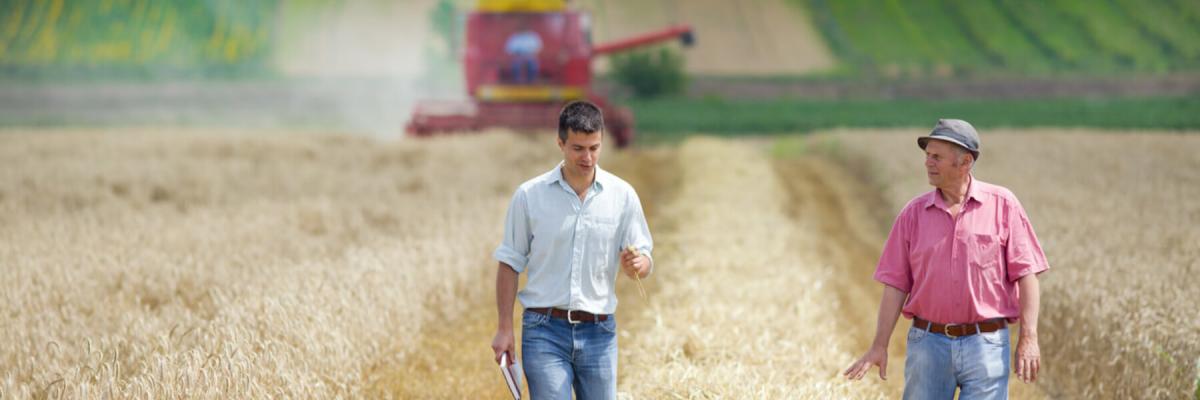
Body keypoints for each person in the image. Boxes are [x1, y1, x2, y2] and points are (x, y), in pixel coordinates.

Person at [843, 119, 1049, 399]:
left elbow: (1027, 274)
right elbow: (895, 284)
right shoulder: (912, 214)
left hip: (986, 344)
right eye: (927, 155)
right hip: (928, 345)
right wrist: (880, 344)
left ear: (965, 162)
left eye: (936, 157)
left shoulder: (1004, 205)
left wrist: (1029, 338)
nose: (928, 163)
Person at [491, 100, 653, 399]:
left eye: (594, 147)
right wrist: (504, 328)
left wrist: (637, 265)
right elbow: (509, 262)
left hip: (600, 332)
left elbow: (643, 258)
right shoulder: (529, 196)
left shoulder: (623, 196)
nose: (588, 157)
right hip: (544, 330)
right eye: (578, 148)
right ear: (560, 143)